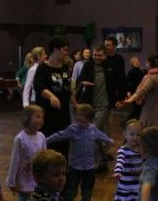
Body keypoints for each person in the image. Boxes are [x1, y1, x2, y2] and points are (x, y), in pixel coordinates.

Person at [46, 104, 113, 201]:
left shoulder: (93, 129)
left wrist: (108, 140)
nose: (79, 123)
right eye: (77, 120)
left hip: (89, 169)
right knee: (70, 194)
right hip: (74, 169)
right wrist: (45, 140)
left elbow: (100, 135)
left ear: (90, 120)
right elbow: (59, 135)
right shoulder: (73, 129)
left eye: (82, 121)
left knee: (86, 196)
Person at [76, 44, 125, 172]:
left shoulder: (111, 66)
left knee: (93, 130)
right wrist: (83, 83)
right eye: (95, 55)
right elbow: (79, 80)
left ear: (105, 55)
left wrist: (121, 99)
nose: (97, 57)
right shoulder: (88, 65)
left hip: (105, 105)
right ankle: (103, 161)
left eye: (100, 55)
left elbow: (120, 82)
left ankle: (89, 162)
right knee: (95, 132)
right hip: (90, 105)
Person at [125, 53, 158, 163]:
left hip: (154, 121)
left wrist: (129, 100)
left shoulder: (151, 78)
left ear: (149, 63)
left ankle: (152, 172)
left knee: (152, 151)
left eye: (146, 62)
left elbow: (141, 92)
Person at [6, 105, 47, 201]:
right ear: (27, 118)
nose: (41, 120)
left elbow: (45, 158)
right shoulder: (20, 139)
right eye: (37, 117)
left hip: (38, 180)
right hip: (24, 181)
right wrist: (11, 181)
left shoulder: (41, 137)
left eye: (42, 117)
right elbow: (15, 160)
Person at [34, 37, 73, 157]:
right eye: (64, 50)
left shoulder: (64, 67)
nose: (66, 53)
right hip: (49, 115)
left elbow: (68, 89)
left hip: (64, 114)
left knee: (64, 144)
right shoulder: (43, 68)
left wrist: (75, 103)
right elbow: (38, 86)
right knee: (49, 144)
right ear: (56, 49)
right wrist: (51, 96)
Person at [111, 119, 144, 201]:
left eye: (138, 134)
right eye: (132, 134)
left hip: (139, 190)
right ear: (125, 134)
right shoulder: (122, 150)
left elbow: (146, 163)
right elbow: (119, 162)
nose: (135, 137)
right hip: (126, 190)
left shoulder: (142, 150)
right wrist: (118, 172)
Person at [125, 56, 146, 122]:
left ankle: (133, 121)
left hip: (141, 92)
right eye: (135, 61)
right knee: (138, 108)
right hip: (134, 92)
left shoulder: (142, 71)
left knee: (139, 108)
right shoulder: (131, 72)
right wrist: (128, 91)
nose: (137, 62)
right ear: (132, 63)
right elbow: (127, 82)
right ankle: (128, 120)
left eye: (138, 61)